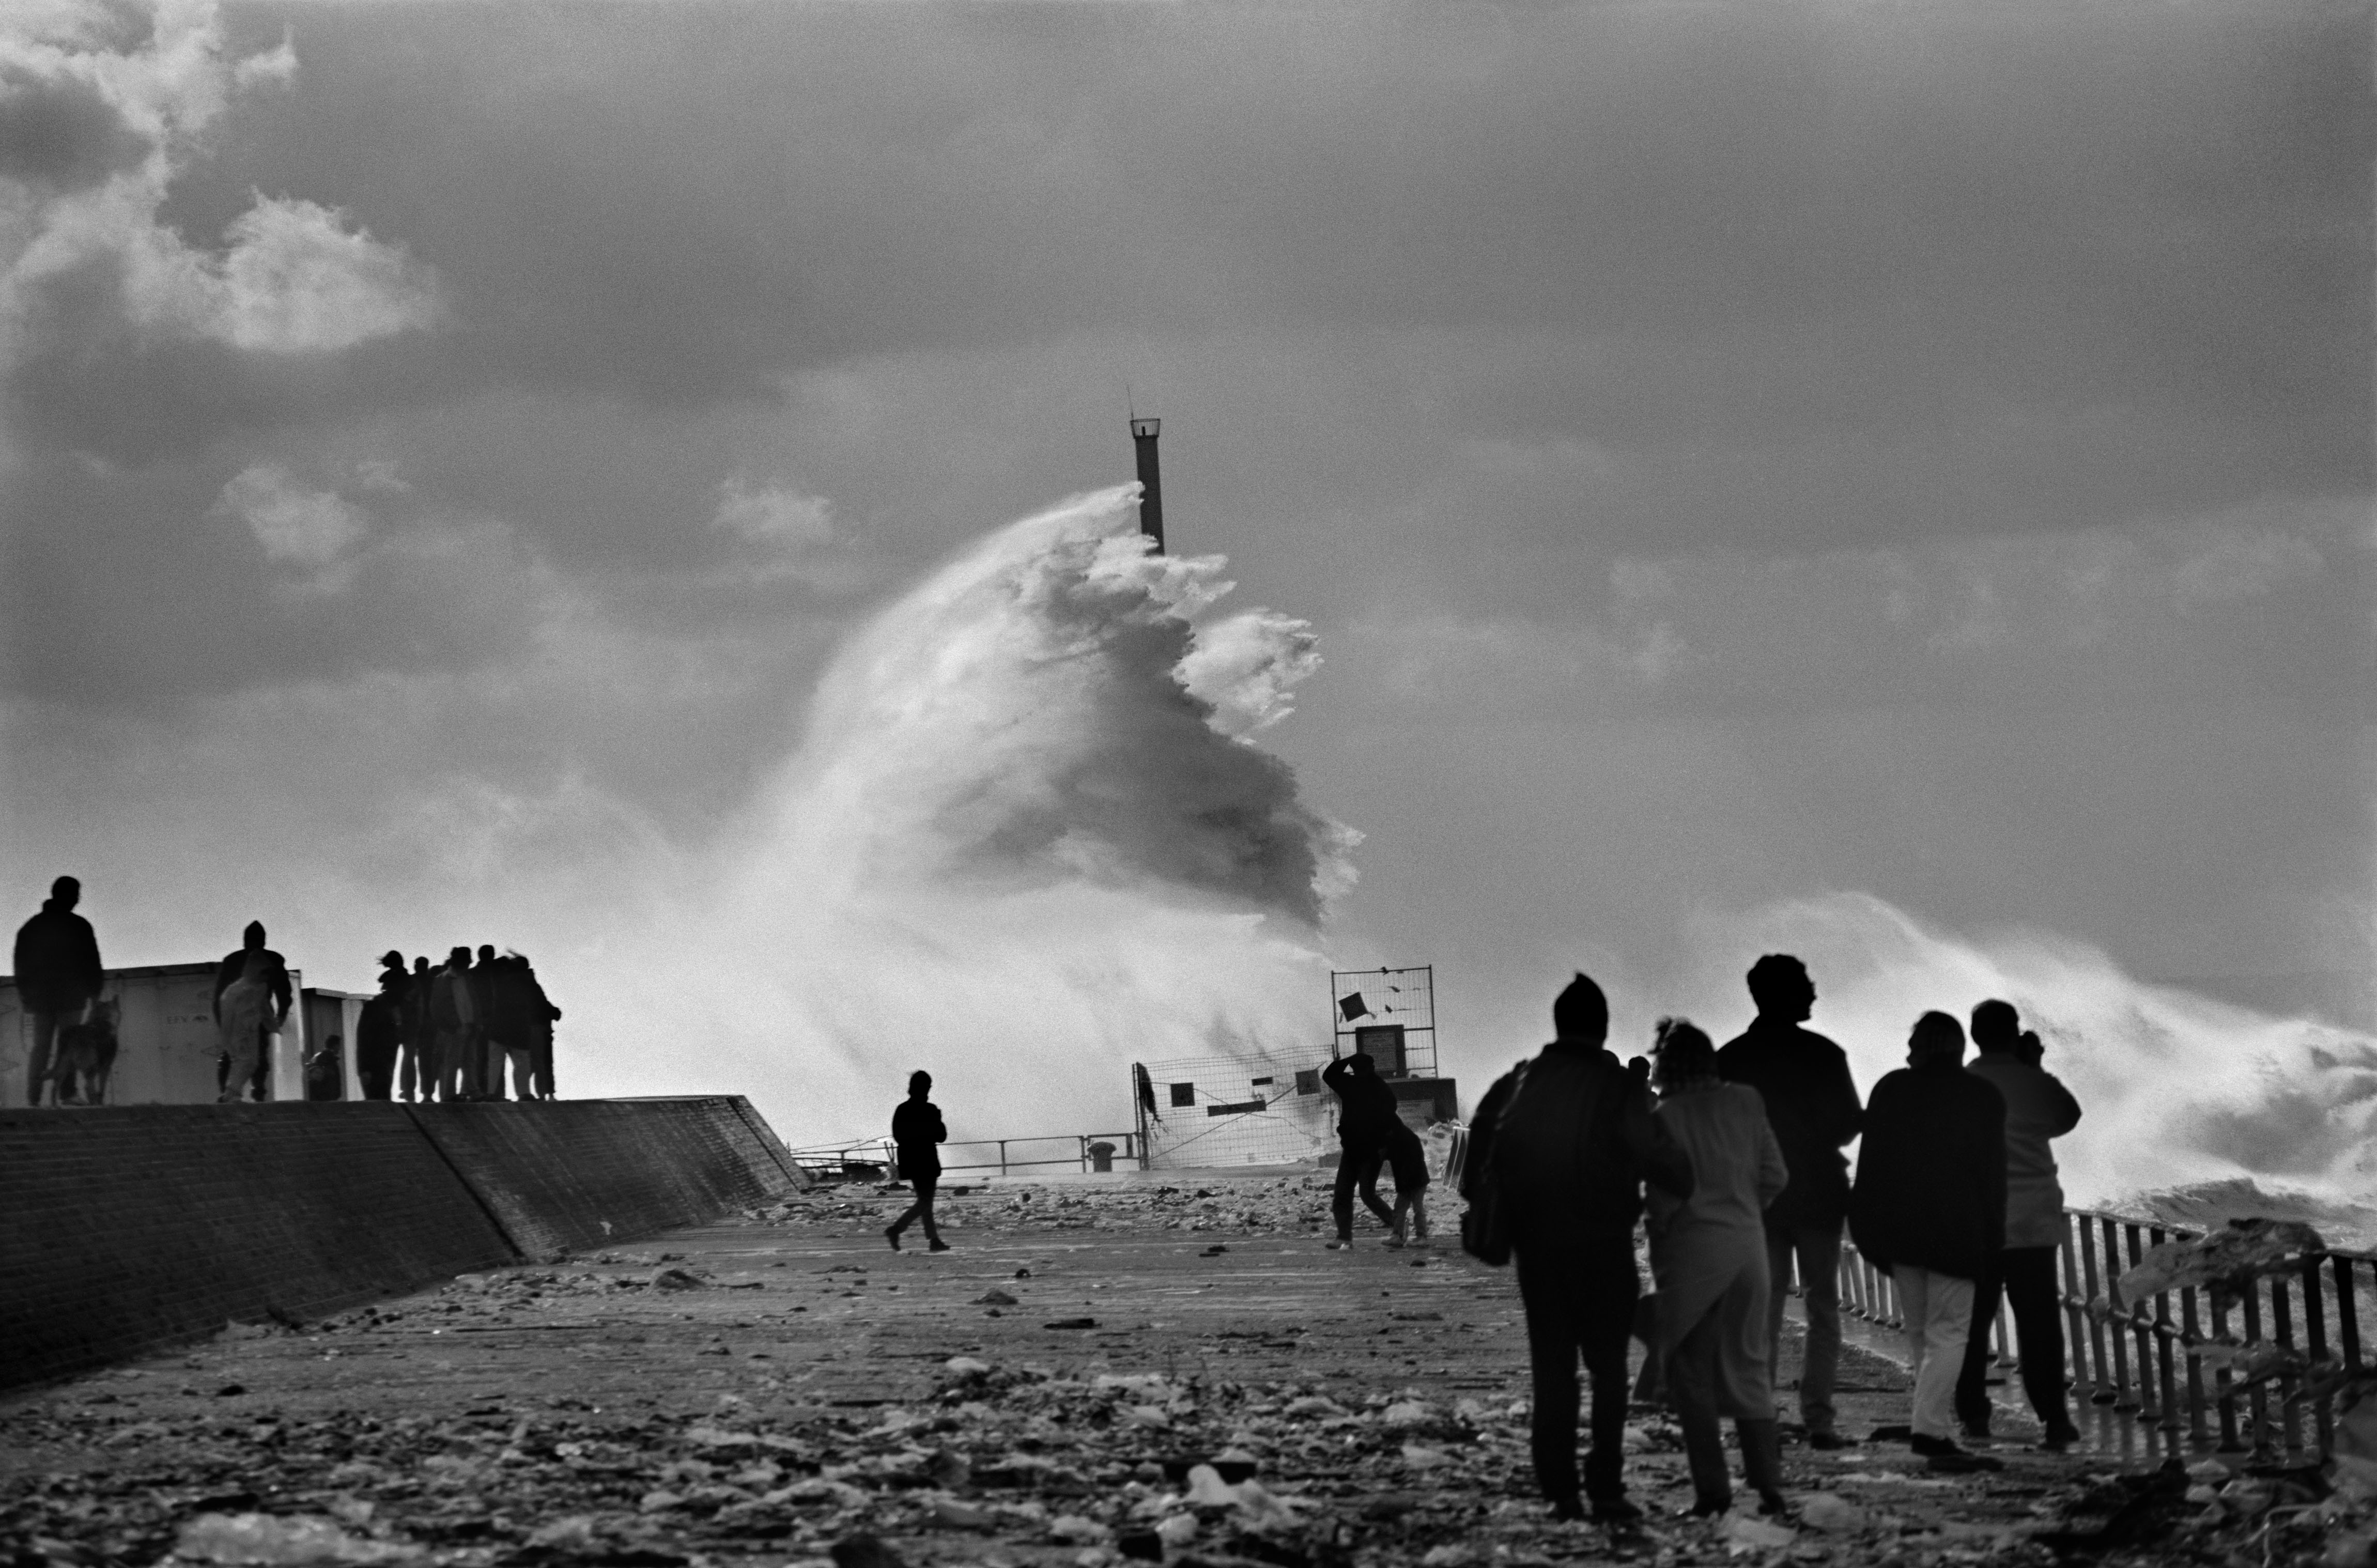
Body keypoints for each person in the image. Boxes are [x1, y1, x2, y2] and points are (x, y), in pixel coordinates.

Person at [1466, 973, 1693, 1524]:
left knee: (1553, 1370)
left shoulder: (1519, 1079)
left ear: (1558, 1022)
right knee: (1608, 1371)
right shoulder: (1619, 1087)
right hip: (1603, 1247)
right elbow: (1665, 1162)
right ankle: (1606, 1484)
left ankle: (1560, 1489)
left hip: (1538, 1251)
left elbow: (1477, 1160)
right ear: (1604, 1026)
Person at [1848, 1011, 2007, 1472]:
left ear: (1922, 1048)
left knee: (1920, 1333)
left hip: (1899, 1230)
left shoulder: (1891, 1088)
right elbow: (1991, 1175)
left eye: (1913, 1042)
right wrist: (1993, 1235)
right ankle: (1931, 1432)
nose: (1907, 1051)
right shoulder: (1981, 1094)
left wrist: (1867, 1229)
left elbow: (1871, 1165)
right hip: (1957, 1230)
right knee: (1951, 1333)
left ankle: (1931, 1422)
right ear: (1958, 1049)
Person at [1716, 954, 1863, 1448]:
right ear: (1786, 994)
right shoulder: (1825, 1055)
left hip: (1756, 1201)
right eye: (1807, 985)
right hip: (1819, 1195)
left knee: (1763, 1310)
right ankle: (1818, 1418)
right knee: (1824, 1308)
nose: (1815, 993)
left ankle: (1758, 1413)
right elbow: (1847, 1124)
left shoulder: (1730, 1058)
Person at [1646, 1018, 1791, 1517]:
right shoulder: (1747, 1101)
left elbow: (1663, 1198)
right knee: (1751, 1367)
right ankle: (1769, 1485)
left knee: (1693, 1379)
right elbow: (1776, 1174)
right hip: (1750, 1253)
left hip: (1692, 1258)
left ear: (1664, 1065)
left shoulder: (1665, 1116)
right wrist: (1743, 1215)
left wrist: (1659, 1233)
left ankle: (1713, 1491)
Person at [1955, 1000, 2083, 1448]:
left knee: (1972, 1324)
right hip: (2033, 1221)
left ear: (1974, 1035)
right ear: (2015, 1034)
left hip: (1978, 1220)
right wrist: (2037, 1066)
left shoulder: (1963, 1082)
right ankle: (2054, 1418)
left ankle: (1973, 1416)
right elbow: (2069, 1116)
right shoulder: (2033, 1082)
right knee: (2039, 1325)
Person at [12, 876, 103, 1107]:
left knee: (40, 1047)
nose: (78, 898)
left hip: (40, 998)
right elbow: (91, 961)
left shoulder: (32, 926)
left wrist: (26, 996)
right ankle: (67, 1093)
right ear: (69, 895)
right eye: (76, 894)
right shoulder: (79, 926)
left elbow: (21, 962)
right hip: (71, 996)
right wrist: (95, 992)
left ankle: (33, 1098)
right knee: (69, 1045)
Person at [1321, 1052, 1400, 1247]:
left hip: (1372, 1150)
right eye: (1356, 1070)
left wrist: (1385, 1146)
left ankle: (1400, 1227)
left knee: (1367, 1194)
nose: (1359, 1073)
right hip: (1352, 1148)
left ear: (1370, 1069)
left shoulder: (1379, 1089)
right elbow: (1329, 1076)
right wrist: (1347, 1061)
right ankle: (1344, 1237)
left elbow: (1390, 1118)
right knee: (1342, 1193)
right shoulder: (1352, 1084)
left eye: (1360, 1069)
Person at [212, 922, 292, 1103]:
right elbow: (284, 991)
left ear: (244, 940)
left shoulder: (233, 960)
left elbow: (219, 995)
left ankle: (230, 1092)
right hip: (257, 1013)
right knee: (257, 1055)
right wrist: (282, 1013)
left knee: (233, 1054)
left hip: (240, 1014)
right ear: (264, 940)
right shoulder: (273, 959)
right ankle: (258, 1092)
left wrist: (221, 1021)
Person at [886, 1070, 949, 1251]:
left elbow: (899, 1136)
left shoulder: (903, 1110)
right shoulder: (930, 1110)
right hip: (926, 1161)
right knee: (925, 1202)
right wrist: (937, 1121)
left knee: (925, 1202)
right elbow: (941, 1136)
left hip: (911, 1162)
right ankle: (897, 1229)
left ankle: (934, 1240)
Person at [216, 950, 276, 1103]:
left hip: (252, 1030)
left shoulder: (259, 987)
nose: (266, 978)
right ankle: (231, 1095)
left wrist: (271, 1023)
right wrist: (226, 1036)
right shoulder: (234, 991)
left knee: (251, 1063)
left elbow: (263, 1007)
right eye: (264, 974)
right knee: (243, 1061)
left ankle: (231, 1094)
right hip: (239, 1031)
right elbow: (227, 1014)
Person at [355, 951, 410, 1101]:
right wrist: (364, 1069)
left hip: (386, 1068)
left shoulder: (396, 1011)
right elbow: (364, 1040)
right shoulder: (374, 1007)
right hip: (373, 1069)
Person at [429, 948, 478, 1102]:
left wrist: (477, 1022)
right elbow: (438, 1007)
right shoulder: (443, 980)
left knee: (469, 1061)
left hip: (468, 1026)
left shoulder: (466, 978)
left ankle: (472, 1091)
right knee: (453, 1061)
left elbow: (473, 1002)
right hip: (454, 1029)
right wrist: (453, 1025)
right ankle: (449, 1094)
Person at [1381, 1114, 1430, 1248]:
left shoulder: (1400, 1140)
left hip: (1415, 1181)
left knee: (1415, 1208)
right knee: (1402, 1209)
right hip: (1411, 1180)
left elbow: (1405, 1162)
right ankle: (1399, 1235)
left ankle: (1420, 1236)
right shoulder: (1402, 1136)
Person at [403, 956, 436, 1102]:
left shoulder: (410, 981)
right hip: (429, 1023)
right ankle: (427, 1093)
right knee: (426, 1061)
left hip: (412, 1023)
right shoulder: (433, 982)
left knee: (409, 1059)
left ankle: (409, 1091)